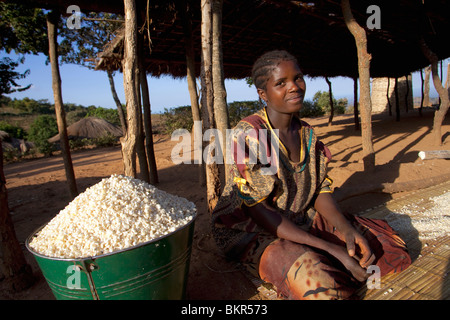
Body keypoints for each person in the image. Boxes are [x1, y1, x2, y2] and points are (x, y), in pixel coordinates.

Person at [211, 50, 411, 300]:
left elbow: (319, 190)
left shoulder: (307, 134)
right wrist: (330, 247)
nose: (294, 87)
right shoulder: (250, 135)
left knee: (387, 249)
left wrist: (345, 229)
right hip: (253, 229)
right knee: (321, 288)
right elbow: (260, 212)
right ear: (263, 94)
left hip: (300, 217)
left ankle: (327, 252)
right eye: (281, 83)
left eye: (298, 78)